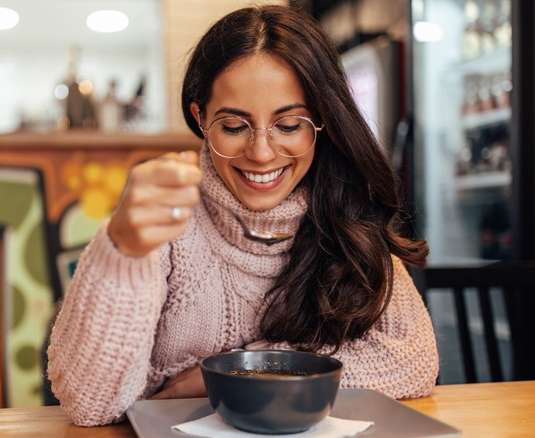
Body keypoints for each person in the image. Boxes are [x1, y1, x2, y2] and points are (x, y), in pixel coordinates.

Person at [47, 4, 438, 427]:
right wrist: (120, 252)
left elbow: (413, 359)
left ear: (321, 122)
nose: (262, 153)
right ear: (201, 119)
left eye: (289, 125)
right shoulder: (165, 223)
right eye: (234, 126)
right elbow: (90, 405)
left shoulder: (346, 217)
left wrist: (230, 374)